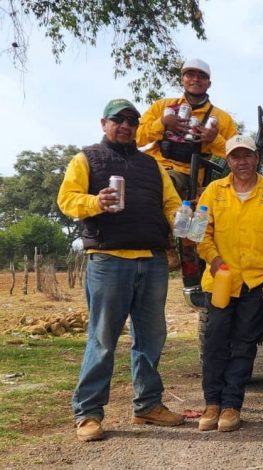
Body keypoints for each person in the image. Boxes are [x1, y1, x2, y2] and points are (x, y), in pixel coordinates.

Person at [57, 98, 183, 442]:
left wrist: (186, 224)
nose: (126, 125)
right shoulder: (86, 158)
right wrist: (95, 202)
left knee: (151, 337)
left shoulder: (152, 165)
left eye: (132, 120)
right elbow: (67, 199)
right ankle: (88, 413)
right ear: (104, 123)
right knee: (102, 339)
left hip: (153, 261)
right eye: (118, 120)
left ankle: (148, 405)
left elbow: (171, 204)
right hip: (109, 261)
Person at [195, 135, 263, 432]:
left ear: (257, 157)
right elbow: (200, 233)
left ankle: (232, 406)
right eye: (236, 156)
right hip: (221, 280)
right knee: (215, 341)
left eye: (247, 155)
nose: (242, 161)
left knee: (244, 344)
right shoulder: (213, 191)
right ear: (228, 160)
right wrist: (213, 259)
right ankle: (212, 403)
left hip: (256, 281)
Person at [136, 58, 238, 200]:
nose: (195, 80)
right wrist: (162, 124)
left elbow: (239, 155)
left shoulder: (222, 118)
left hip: (185, 175)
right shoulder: (162, 106)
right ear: (182, 79)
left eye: (202, 76)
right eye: (190, 75)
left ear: (209, 84)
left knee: (159, 184)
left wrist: (214, 139)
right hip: (151, 165)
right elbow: (136, 138)